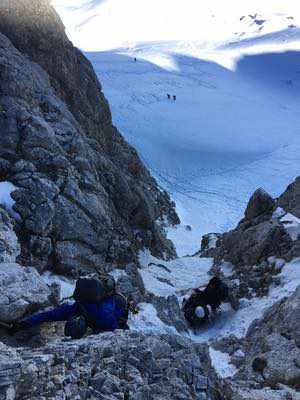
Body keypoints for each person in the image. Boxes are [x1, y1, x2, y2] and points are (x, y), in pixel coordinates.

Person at [9, 277, 130, 339]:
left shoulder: (100, 312)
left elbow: (50, 315)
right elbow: (50, 315)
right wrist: (23, 325)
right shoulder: (79, 306)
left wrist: (24, 324)